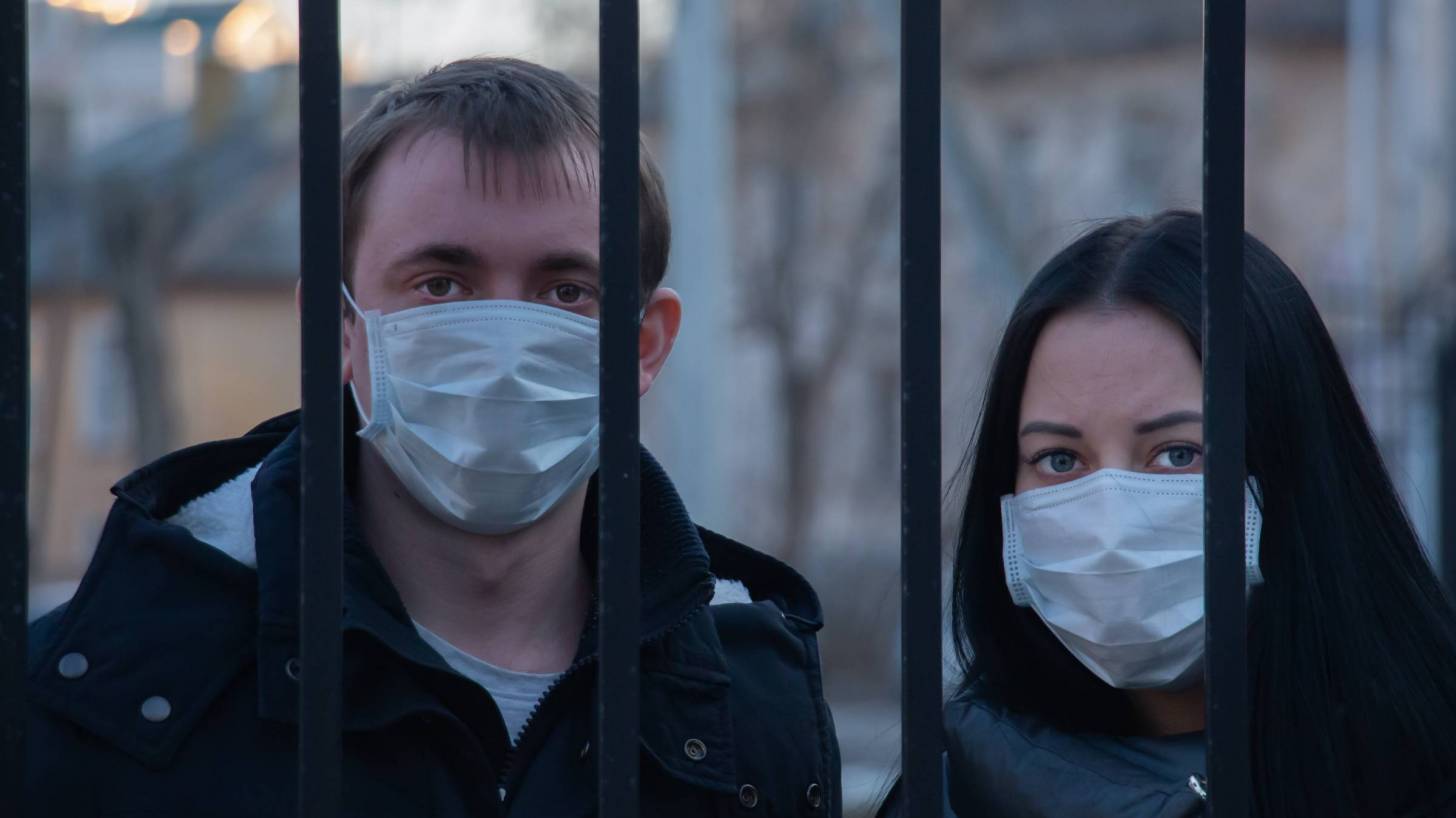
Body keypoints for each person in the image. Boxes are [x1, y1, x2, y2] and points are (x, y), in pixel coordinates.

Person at [27, 58, 841, 817]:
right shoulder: (110, 692)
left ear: (644, 345)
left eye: (566, 290)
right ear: (339, 329)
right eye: (442, 284)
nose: (504, 347)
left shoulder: (753, 702)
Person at [880, 211, 1456, 817]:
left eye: (1177, 453)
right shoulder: (957, 791)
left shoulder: (1419, 774)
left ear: (1295, 461)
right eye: (1058, 460)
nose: (1110, 521)